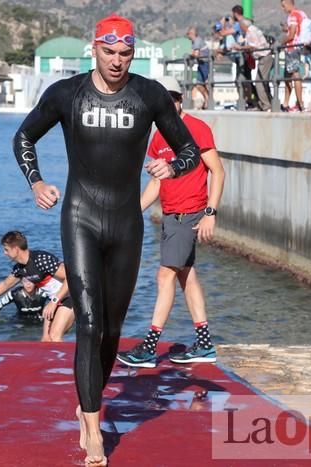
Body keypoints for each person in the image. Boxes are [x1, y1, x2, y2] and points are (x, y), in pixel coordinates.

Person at [11, 14, 199, 467]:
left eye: (125, 53)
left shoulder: (148, 94)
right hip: (80, 216)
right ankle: (92, 427)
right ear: (93, 49)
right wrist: (36, 182)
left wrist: (171, 168)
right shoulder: (66, 94)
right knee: (89, 323)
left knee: (112, 331)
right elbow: (23, 136)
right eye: (109, 51)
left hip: (127, 222)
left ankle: (87, 401)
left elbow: (191, 151)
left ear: (133, 54)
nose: (116, 61)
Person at [116, 76, 224, 368]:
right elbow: (155, 186)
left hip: (188, 214)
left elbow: (218, 171)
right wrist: (131, 211)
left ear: (180, 99)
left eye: (173, 97)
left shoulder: (198, 129)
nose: (169, 103)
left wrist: (210, 213)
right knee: (186, 276)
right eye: (163, 99)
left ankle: (149, 348)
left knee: (164, 276)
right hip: (170, 215)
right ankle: (204, 344)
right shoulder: (158, 136)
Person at [0, 231, 74, 343]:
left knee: (55, 337)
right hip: (55, 301)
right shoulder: (19, 269)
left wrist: (54, 302)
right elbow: (4, 285)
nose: (5, 253)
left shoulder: (41, 259)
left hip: (70, 296)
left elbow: (70, 277)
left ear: (16, 249)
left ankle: (75, 360)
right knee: (46, 340)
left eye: (6, 249)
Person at [280, 0, 310, 112]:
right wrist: (287, 29)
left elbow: (292, 34)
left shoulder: (292, 15)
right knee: (288, 75)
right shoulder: (302, 14)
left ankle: (300, 103)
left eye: (283, 6)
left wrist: (281, 42)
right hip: (300, 47)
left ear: (289, 4)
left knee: (295, 74)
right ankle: (286, 103)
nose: (283, 9)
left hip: (292, 48)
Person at [186, 26, 211, 109]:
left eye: (188, 34)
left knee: (201, 83)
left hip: (205, 64)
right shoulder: (195, 42)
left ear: (192, 34)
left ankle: (208, 100)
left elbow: (196, 54)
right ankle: (207, 100)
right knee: (199, 84)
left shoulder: (197, 41)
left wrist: (190, 55)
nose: (187, 36)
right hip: (202, 64)